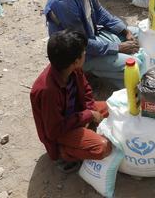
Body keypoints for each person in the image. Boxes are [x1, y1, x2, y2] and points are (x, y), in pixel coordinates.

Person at [30, 29, 112, 173]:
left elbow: (86, 90)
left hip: (77, 115)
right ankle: (65, 153)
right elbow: (54, 130)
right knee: (103, 148)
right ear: (75, 61)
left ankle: (86, 132)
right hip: (62, 131)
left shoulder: (71, 69)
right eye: (83, 52)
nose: (85, 54)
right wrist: (88, 116)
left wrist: (89, 111)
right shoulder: (47, 91)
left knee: (112, 108)